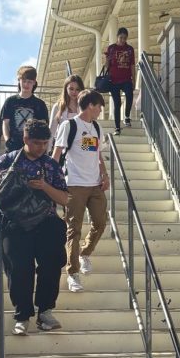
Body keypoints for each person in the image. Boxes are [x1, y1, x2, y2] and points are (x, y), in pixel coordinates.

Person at [0, 120, 69, 335]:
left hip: (46, 221)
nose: (42, 148)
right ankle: (22, 315)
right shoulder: (8, 160)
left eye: (45, 143)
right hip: (14, 223)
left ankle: (45, 311)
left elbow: (65, 199)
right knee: (19, 270)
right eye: (37, 143)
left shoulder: (51, 165)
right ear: (26, 139)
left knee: (51, 265)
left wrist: (45, 186)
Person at [52, 89, 110, 293]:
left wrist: (105, 174)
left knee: (101, 222)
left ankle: (84, 253)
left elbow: (97, 154)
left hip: (94, 185)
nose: (101, 111)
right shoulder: (70, 125)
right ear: (91, 106)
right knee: (73, 229)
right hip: (74, 184)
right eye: (99, 107)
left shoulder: (96, 127)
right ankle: (73, 273)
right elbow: (56, 154)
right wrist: (54, 181)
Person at [0, 64, 50, 154]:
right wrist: (8, 140)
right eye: (24, 81)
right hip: (14, 148)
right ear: (19, 81)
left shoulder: (40, 104)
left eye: (29, 81)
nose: (26, 84)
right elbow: (5, 123)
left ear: (34, 82)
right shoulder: (10, 101)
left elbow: (44, 127)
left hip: (33, 149)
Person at [103, 27, 136, 134]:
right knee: (117, 103)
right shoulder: (111, 48)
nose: (122, 40)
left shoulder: (130, 49)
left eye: (124, 38)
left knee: (130, 95)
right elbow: (107, 65)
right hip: (113, 80)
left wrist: (134, 79)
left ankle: (127, 116)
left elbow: (132, 65)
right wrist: (107, 60)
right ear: (117, 37)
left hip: (126, 79)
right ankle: (117, 127)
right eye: (121, 37)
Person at [49, 74, 85, 139]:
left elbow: (89, 131)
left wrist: (85, 147)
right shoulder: (58, 106)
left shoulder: (85, 107)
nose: (74, 92)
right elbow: (51, 131)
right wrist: (49, 149)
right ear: (66, 89)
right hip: (61, 146)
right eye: (71, 89)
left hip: (80, 146)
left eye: (77, 89)